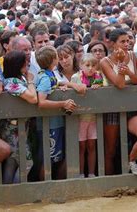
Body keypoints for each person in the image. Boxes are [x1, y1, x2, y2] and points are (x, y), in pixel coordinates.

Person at [100, 28, 137, 176]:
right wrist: (121, 63)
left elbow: (136, 80)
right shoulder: (105, 61)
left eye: (128, 41)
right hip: (113, 108)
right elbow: (120, 84)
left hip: (132, 107)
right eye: (122, 41)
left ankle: (131, 160)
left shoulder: (133, 55)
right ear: (112, 44)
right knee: (110, 149)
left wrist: (127, 70)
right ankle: (109, 180)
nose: (126, 44)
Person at [35, 45, 77, 180]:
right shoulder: (46, 77)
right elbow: (41, 102)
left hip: (54, 123)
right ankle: (45, 187)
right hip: (50, 124)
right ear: (54, 60)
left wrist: (69, 85)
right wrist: (63, 103)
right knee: (48, 158)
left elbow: (57, 83)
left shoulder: (48, 74)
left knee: (53, 157)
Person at [1, 50, 37, 183]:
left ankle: (9, 192)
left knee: (12, 162)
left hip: (17, 127)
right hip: (13, 129)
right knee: (27, 163)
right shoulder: (12, 82)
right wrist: (30, 81)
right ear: (18, 65)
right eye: (25, 63)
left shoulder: (16, 79)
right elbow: (33, 98)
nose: (28, 64)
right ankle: (16, 192)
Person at [71, 54, 103, 178]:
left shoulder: (99, 77)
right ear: (81, 65)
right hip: (80, 118)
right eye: (87, 65)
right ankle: (80, 173)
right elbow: (69, 88)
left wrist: (99, 87)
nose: (90, 68)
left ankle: (91, 173)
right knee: (81, 146)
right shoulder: (75, 77)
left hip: (93, 118)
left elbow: (104, 90)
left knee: (91, 145)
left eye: (93, 65)